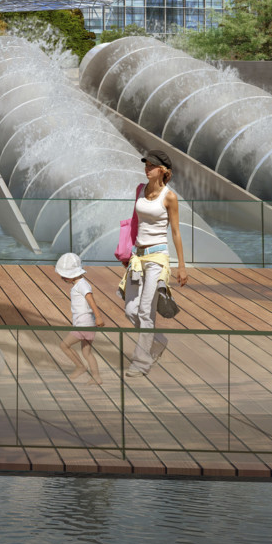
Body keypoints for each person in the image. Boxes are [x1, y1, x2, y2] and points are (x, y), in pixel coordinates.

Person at [121, 149, 188, 376]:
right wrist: (127, 253)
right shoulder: (140, 189)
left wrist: (181, 266)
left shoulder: (169, 197)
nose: (146, 168)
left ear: (162, 170)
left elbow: (176, 232)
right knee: (131, 310)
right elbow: (133, 223)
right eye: (146, 164)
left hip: (158, 257)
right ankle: (157, 341)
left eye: (151, 165)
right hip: (138, 257)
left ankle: (141, 362)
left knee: (146, 311)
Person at [54, 253, 104, 384]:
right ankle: (96, 377)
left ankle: (80, 366)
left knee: (64, 345)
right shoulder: (79, 284)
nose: (63, 278)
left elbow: (90, 299)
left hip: (83, 324)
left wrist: (98, 316)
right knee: (87, 353)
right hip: (87, 324)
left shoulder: (82, 285)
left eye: (64, 276)